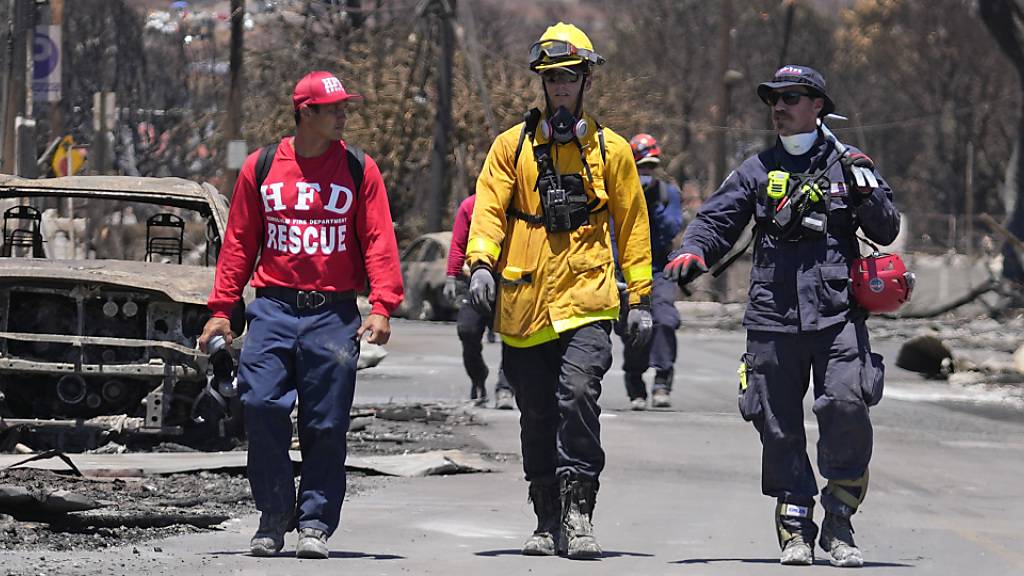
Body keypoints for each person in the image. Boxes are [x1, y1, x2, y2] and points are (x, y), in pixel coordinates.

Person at [664, 64, 899, 567]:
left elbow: (885, 228)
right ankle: (794, 526)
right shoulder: (756, 168)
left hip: (838, 315)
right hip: (773, 317)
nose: (780, 107)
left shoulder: (850, 164)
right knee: (776, 422)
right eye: (774, 98)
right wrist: (695, 251)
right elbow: (717, 219)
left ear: (818, 106)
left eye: (792, 98)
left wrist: (865, 187)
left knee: (845, 403)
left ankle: (840, 518)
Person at [465, 22, 653, 559]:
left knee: (577, 396)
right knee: (537, 415)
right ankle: (546, 518)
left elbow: (633, 225)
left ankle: (579, 514)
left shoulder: (611, 151)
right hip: (525, 306)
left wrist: (638, 298)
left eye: (570, 78)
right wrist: (480, 262)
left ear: (586, 81)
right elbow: (489, 208)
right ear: (542, 85)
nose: (561, 88)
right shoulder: (511, 148)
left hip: (588, 299)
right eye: (553, 79)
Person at [199, 71, 403, 560]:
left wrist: (382, 305)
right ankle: (273, 515)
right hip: (271, 308)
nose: (343, 114)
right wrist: (222, 310)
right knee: (261, 405)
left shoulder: (359, 168)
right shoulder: (261, 166)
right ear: (304, 112)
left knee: (326, 424)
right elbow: (240, 244)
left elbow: (378, 239)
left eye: (344, 107)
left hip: (332, 315)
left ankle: (314, 522)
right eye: (333, 108)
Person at [615, 134, 684, 410]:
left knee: (665, 320)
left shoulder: (669, 194)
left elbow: (671, 229)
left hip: (659, 269)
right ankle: (635, 383)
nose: (645, 173)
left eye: (650, 167)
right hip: (626, 272)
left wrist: (653, 205)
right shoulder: (617, 193)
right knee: (632, 328)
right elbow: (609, 233)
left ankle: (662, 382)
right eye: (640, 167)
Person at [443, 193, 515, 409]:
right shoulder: (469, 206)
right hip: (474, 278)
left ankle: (505, 388)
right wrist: (451, 276)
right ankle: (478, 377)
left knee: (513, 338)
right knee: (467, 330)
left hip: (510, 281)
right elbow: (458, 243)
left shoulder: (518, 202)